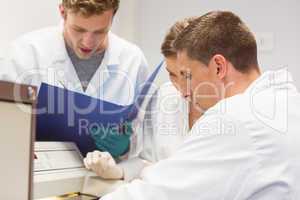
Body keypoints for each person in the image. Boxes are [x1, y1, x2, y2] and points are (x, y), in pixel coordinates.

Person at [97, 11, 300, 200]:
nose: (184, 91)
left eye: (187, 75)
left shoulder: (236, 119)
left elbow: (159, 194)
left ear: (219, 67)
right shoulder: (283, 100)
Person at [3, 0, 148, 158]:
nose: (88, 42)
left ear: (113, 16)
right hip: (40, 175)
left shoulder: (133, 60)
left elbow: (147, 137)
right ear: (63, 12)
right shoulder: (25, 52)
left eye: (100, 31)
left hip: (108, 178)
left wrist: (128, 146)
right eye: (79, 29)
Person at [83, 18, 203, 180]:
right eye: (172, 74)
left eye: (187, 75)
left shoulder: (228, 110)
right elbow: (149, 160)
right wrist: (119, 171)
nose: (181, 89)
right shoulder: (164, 96)